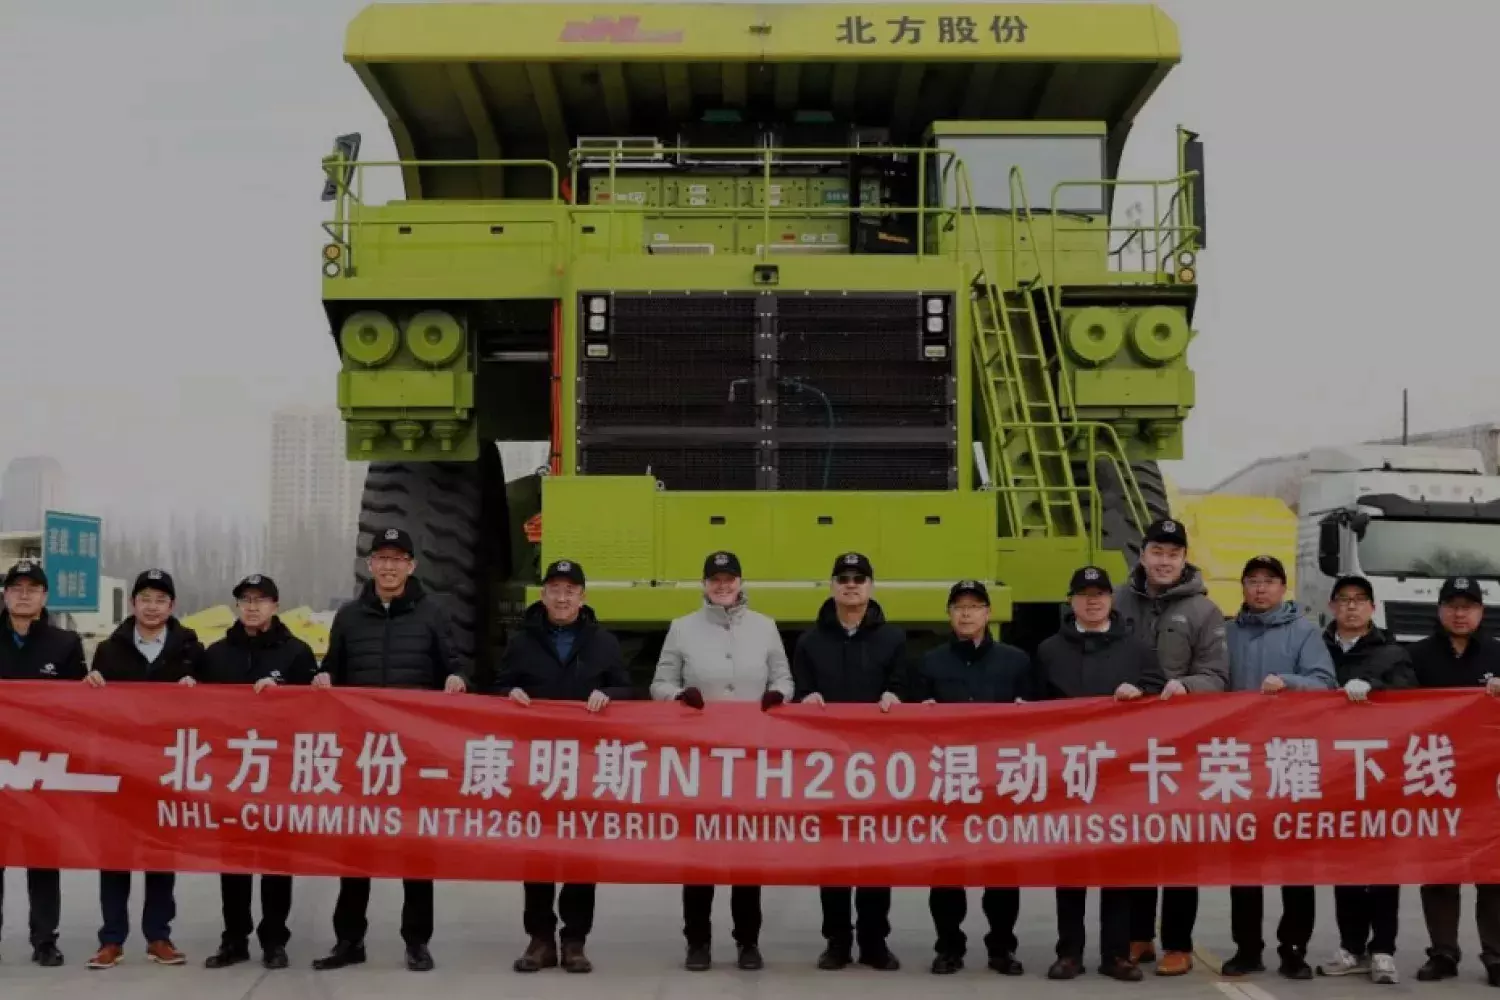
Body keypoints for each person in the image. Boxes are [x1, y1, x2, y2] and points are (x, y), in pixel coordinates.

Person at [310, 527, 469, 974]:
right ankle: (348, 940)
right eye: (382, 557)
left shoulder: (432, 616)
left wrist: (457, 681)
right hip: (361, 755)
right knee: (355, 851)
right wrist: (323, 679)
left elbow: (453, 668)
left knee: (416, 851)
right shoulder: (349, 618)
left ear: (411, 566)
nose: (389, 566)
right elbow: (331, 671)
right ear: (370, 564)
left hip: (413, 756)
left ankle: (417, 941)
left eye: (398, 558)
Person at [650, 550, 793, 972]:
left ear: (741, 582)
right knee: (700, 856)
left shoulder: (765, 628)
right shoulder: (682, 628)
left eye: (729, 578)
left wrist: (778, 696)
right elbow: (660, 681)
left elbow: (783, 676)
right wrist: (678, 697)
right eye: (715, 579)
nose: (723, 585)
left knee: (746, 856)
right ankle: (698, 942)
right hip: (702, 759)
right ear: (704, 584)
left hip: (750, 758)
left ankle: (748, 941)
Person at [495, 559, 632, 975]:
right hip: (536, 765)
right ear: (543, 595)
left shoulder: (603, 642)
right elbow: (498, 685)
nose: (562, 596)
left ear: (582, 596)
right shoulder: (522, 642)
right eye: (554, 588)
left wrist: (608, 694)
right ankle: (539, 940)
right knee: (536, 853)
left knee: (580, 855)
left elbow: (628, 688)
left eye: (570, 589)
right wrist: (510, 692)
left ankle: (574, 940)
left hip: (586, 765)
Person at [1033, 565, 1165, 982]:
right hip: (1067, 772)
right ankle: (1069, 951)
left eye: (1100, 594)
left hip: (1119, 774)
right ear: (1070, 601)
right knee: (1069, 867)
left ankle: (1116, 953)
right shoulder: (1050, 650)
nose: (1092, 601)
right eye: (1083, 594)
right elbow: (1033, 710)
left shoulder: (1138, 649)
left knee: (1117, 868)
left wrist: (1141, 693)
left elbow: (1162, 698)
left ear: (1112, 599)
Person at [1112, 518, 1228, 975]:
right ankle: (1138, 935)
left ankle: (1177, 942)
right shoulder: (1116, 602)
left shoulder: (1205, 612)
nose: (1164, 561)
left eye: (1173, 554)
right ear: (1142, 555)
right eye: (1157, 551)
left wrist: (1185, 687)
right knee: (1133, 840)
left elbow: (1218, 676)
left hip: (1183, 742)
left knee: (1179, 841)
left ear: (1184, 559)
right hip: (1125, 743)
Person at [1220, 555, 1336, 980]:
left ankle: (1294, 949)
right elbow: (1212, 681)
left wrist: (1291, 681)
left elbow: (1326, 683)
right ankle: (1247, 948)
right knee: (1244, 863)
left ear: (1283, 587)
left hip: (1290, 760)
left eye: (1269, 581)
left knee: (1295, 862)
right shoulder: (1227, 632)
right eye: (1252, 581)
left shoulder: (1303, 630)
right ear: (1243, 587)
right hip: (1241, 762)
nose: (1260, 589)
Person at [792, 552, 906, 972]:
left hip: (877, 763)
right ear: (832, 586)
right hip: (829, 764)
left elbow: (901, 685)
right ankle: (837, 940)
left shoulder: (893, 638)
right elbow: (801, 690)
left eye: (860, 578)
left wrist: (896, 696)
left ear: (871, 586)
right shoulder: (810, 641)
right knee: (834, 856)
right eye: (843, 578)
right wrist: (807, 699)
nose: (852, 584)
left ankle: (875, 940)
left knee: (877, 856)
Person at [85, 568, 204, 970]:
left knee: (160, 857)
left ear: (172, 607)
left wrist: (197, 691)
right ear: (133, 604)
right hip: (120, 768)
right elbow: (93, 710)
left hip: (167, 768)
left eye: (160, 600)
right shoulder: (109, 650)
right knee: (115, 856)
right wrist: (92, 685)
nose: (152, 607)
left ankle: (158, 937)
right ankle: (111, 940)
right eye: (145, 599)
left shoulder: (190, 649)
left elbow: (216, 709)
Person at [911, 579, 1029, 977]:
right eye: (958, 606)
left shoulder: (1016, 662)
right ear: (949, 614)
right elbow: (912, 726)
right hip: (949, 780)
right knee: (946, 872)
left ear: (988, 613)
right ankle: (948, 947)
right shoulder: (930, 662)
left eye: (975, 606)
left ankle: (1001, 948)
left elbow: (1042, 718)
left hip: (1000, 781)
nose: (966, 613)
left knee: (1002, 872)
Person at [199, 574, 316, 971]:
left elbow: (315, 711)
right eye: (245, 599)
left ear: (276, 606)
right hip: (231, 773)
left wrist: (286, 695)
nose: (252, 606)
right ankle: (234, 939)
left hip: (278, 771)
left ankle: (274, 940)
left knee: (275, 861)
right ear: (236, 606)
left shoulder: (297, 654)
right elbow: (193, 708)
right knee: (232, 862)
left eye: (260, 600)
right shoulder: (215, 654)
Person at [1315, 574, 1416, 985]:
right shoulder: (1318, 650)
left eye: (1359, 600)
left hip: (1377, 772)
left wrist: (1372, 685)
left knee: (1381, 865)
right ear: (1332, 606)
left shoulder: (1392, 654)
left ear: (1372, 607)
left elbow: (1410, 701)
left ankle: (1384, 949)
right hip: (1333, 773)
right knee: (1347, 866)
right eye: (1343, 600)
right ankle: (1351, 946)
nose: (1351, 607)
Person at [1407, 576, 1500, 984]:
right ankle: (1443, 952)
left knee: (1493, 873)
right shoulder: (1417, 656)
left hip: (1489, 781)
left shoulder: (1498, 654)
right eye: (1453, 605)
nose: (1460, 614)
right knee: (1441, 869)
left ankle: (1496, 955)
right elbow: (1397, 708)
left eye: (1469, 606)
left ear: (1482, 611)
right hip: (1437, 777)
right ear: (1440, 609)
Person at [0, 559, 85, 966]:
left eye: (32, 589)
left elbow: (80, 710)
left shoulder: (65, 644)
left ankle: (44, 940)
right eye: (16, 588)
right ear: (5, 594)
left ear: (44, 596)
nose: (23, 594)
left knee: (43, 857)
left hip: (42, 768)